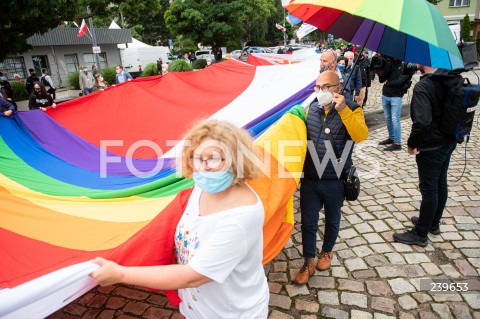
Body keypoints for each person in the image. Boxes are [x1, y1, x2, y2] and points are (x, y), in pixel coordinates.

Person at [90, 120, 269, 318]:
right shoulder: (202, 188)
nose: (204, 167)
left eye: (214, 158)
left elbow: (192, 277)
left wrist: (121, 274)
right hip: (197, 310)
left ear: (236, 160)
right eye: (197, 157)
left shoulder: (240, 217)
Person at [294, 71, 368, 285]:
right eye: (318, 87)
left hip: (335, 177)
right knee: (308, 221)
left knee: (332, 217)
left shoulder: (353, 109)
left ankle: (327, 252)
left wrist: (344, 109)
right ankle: (308, 260)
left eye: (326, 87)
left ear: (338, 87)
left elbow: (361, 135)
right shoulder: (311, 109)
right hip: (310, 176)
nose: (321, 91)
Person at [393, 65, 457, 247]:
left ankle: (420, 234)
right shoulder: (450, 76)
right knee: (440, 183)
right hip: (448, 140)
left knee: (429, 189)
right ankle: (433, 223)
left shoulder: (425, 85)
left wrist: (412, 144)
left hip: (431, 145)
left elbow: (422, 122)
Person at [377, 57, 414, 151]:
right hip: (385, 95)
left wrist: (389, 83)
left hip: (396, 96)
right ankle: (391, 137)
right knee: (388, 118)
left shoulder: (405, 65)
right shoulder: (389, 63)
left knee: (395, 119)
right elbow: (381, 79)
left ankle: (397, 143)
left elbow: (402, 81)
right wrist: (380, 67)